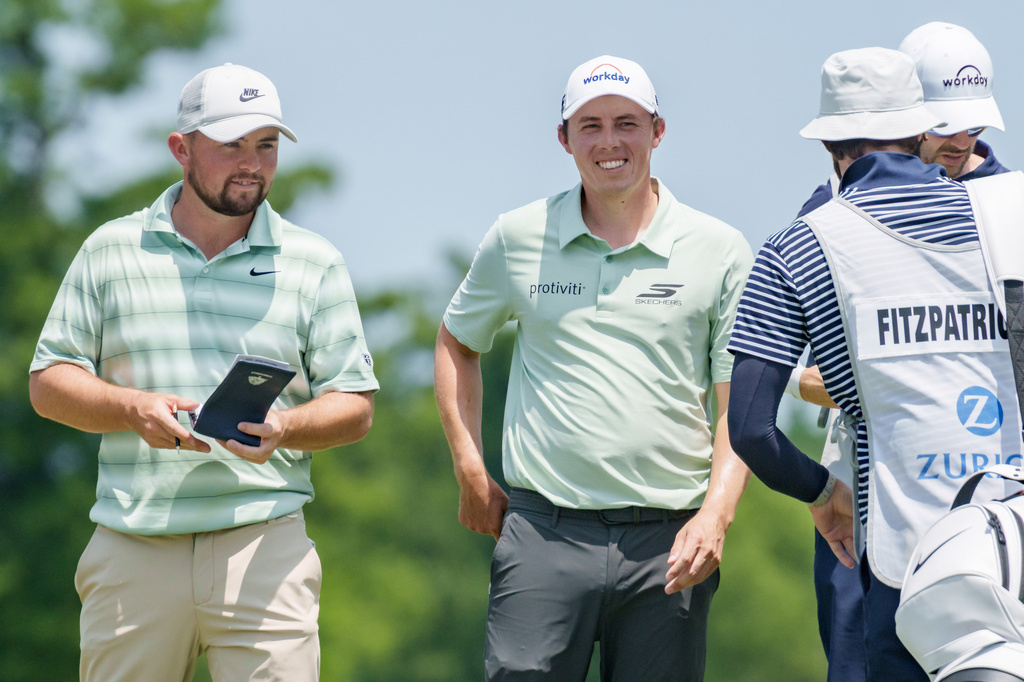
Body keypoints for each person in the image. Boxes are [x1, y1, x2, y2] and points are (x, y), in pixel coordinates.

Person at [29, 63, 378, 682]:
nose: (252, 162)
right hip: (134, 543)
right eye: (231, 145)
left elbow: (354, 405)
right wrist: (130, 408)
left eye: (266, 145)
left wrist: (287, 427)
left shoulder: (315, 261)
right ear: (181, 150)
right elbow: (49, 382)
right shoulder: (110, 250)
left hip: (264, 545)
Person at [433, 55, 753, 681]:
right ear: (565, 139)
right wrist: (469, 465)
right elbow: (456, 342)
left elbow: (736, 402)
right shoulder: (517, 236)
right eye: (591, 125)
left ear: (658, 132)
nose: (610, 142)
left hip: (670, 540)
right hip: (543, 532)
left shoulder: (719, 248)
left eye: (627, 123)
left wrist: (717, 512)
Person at [727, 47, 1021, 680]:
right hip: (1012, 546)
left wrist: (821, 492)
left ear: (830, 143)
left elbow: (750, 428)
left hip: (894, 556)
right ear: (922, 132)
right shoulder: (1010, 215)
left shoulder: (796, 244)